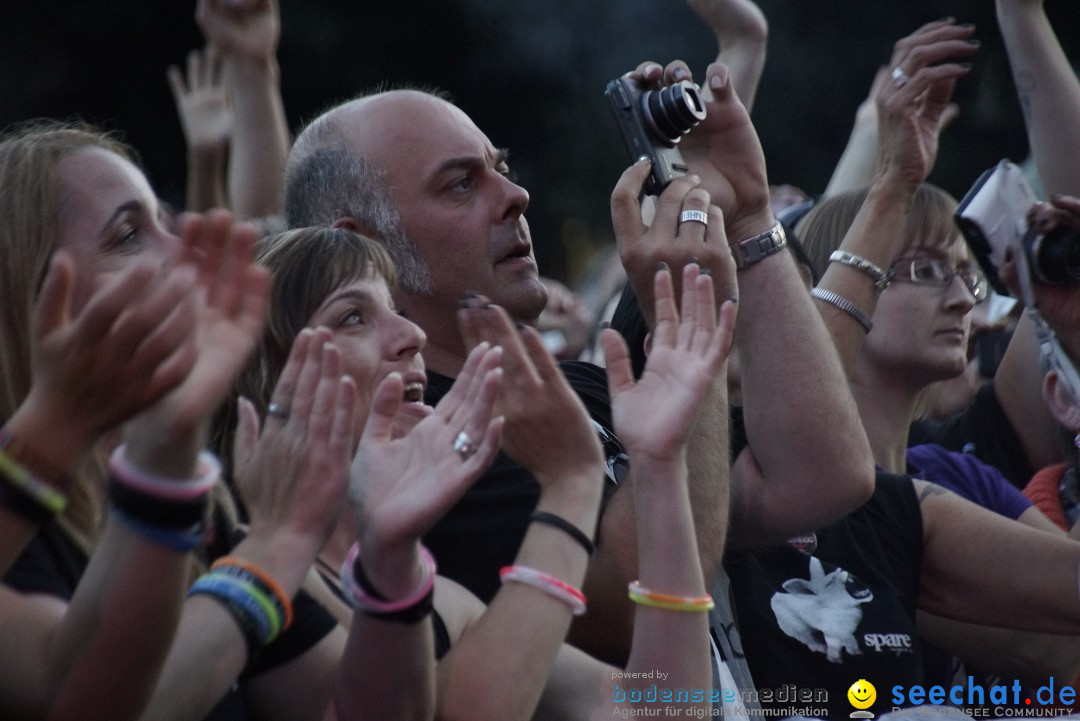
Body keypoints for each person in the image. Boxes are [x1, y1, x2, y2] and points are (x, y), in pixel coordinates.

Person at [282, 57, 876, 671]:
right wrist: (681, 342)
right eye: (461, 183)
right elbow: (634, 619)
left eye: (501, 169)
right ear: (363, 245)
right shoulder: (406, 444)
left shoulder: (580, 392)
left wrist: (748, 214)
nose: (516, 196)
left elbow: (823, 477)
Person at [217, 225, 732, 720]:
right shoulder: (243, 583)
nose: (412, 335)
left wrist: (660, 463)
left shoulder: (442, 597)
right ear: (266, 379)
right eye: (353, 317)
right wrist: (569, 486)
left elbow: (661, 710)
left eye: (397, 310)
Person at [0, 120, 270, 720]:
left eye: (165, 223)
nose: (183, 256)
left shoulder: (210, 499)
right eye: (128, 236)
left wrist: (167, 452)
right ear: (30, 293)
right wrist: (283, 544)